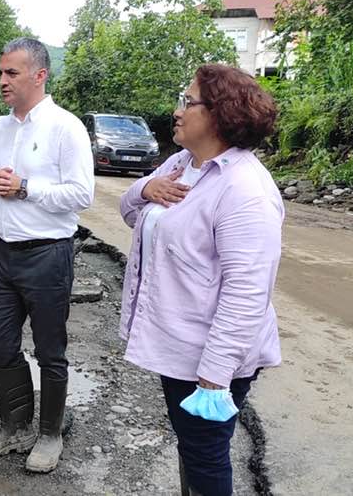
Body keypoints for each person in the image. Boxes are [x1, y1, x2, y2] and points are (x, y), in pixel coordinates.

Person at [117, 64, 283, 495]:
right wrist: (144, 191)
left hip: (210, 357)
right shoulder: (181, 164)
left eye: (187, 102)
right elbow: (133, 215)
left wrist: (214, 376)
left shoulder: (244, 189)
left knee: (206, 456)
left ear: (219, 114)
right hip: (179, 345)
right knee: (194, 448)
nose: (177, 111)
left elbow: (246, 293)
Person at [0, 37, 95, 473]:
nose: (2, 80)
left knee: (50, 350)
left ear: (39, 75)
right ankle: (14, 427)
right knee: (1, 344)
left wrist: (25, 187)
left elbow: (83, 194)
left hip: (48, 255)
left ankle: (50, 434)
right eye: (1, 72)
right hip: (2, 255)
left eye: (12, 73)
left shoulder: (66, 127)